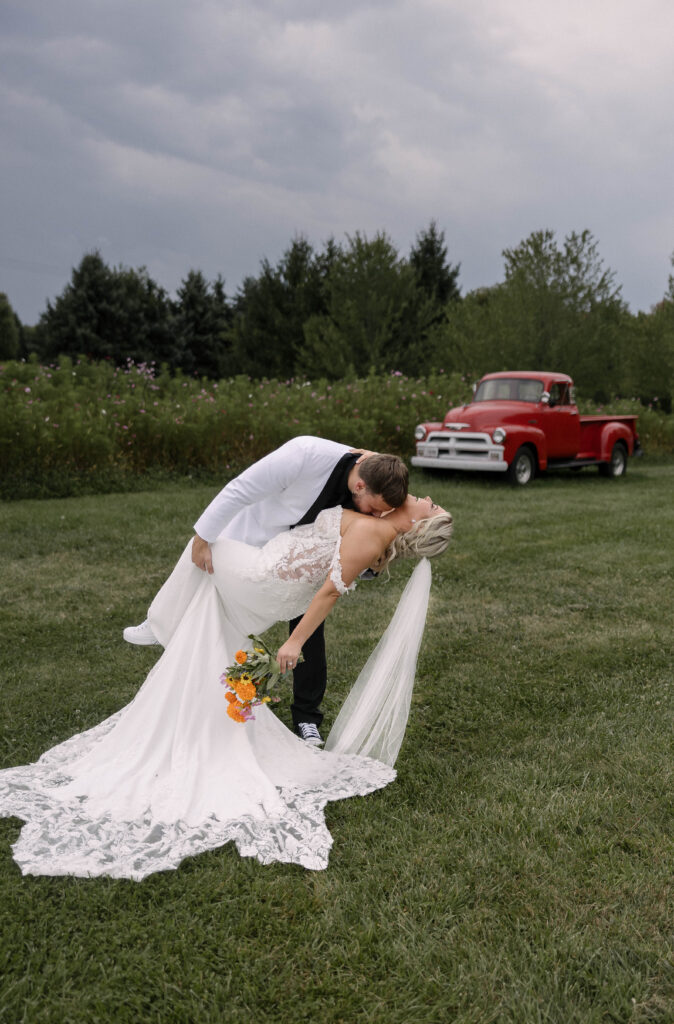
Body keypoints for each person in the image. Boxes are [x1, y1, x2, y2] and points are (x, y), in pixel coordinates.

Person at [0, 492, 452, 879]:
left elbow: (329, 592)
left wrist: (294, 641)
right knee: (210, 617)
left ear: (418, 520)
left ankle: (159, 626)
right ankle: (188, 683)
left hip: (265, 576)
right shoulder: (379, 517)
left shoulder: (377, 533)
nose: (426, 496)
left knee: (209, 537)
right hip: (274, 579)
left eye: (431, 504)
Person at [123, 435, 409, 746]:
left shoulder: (379, 474)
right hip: (258, 536)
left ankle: (306, 717)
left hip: (307, 560)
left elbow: (404, 511)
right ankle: (166, 630)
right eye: (373, 508)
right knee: (206, 565)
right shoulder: (304, 454)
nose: (374, 516)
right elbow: (241, 488)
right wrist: (203, 537)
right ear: (359, 487)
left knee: (310, 632)